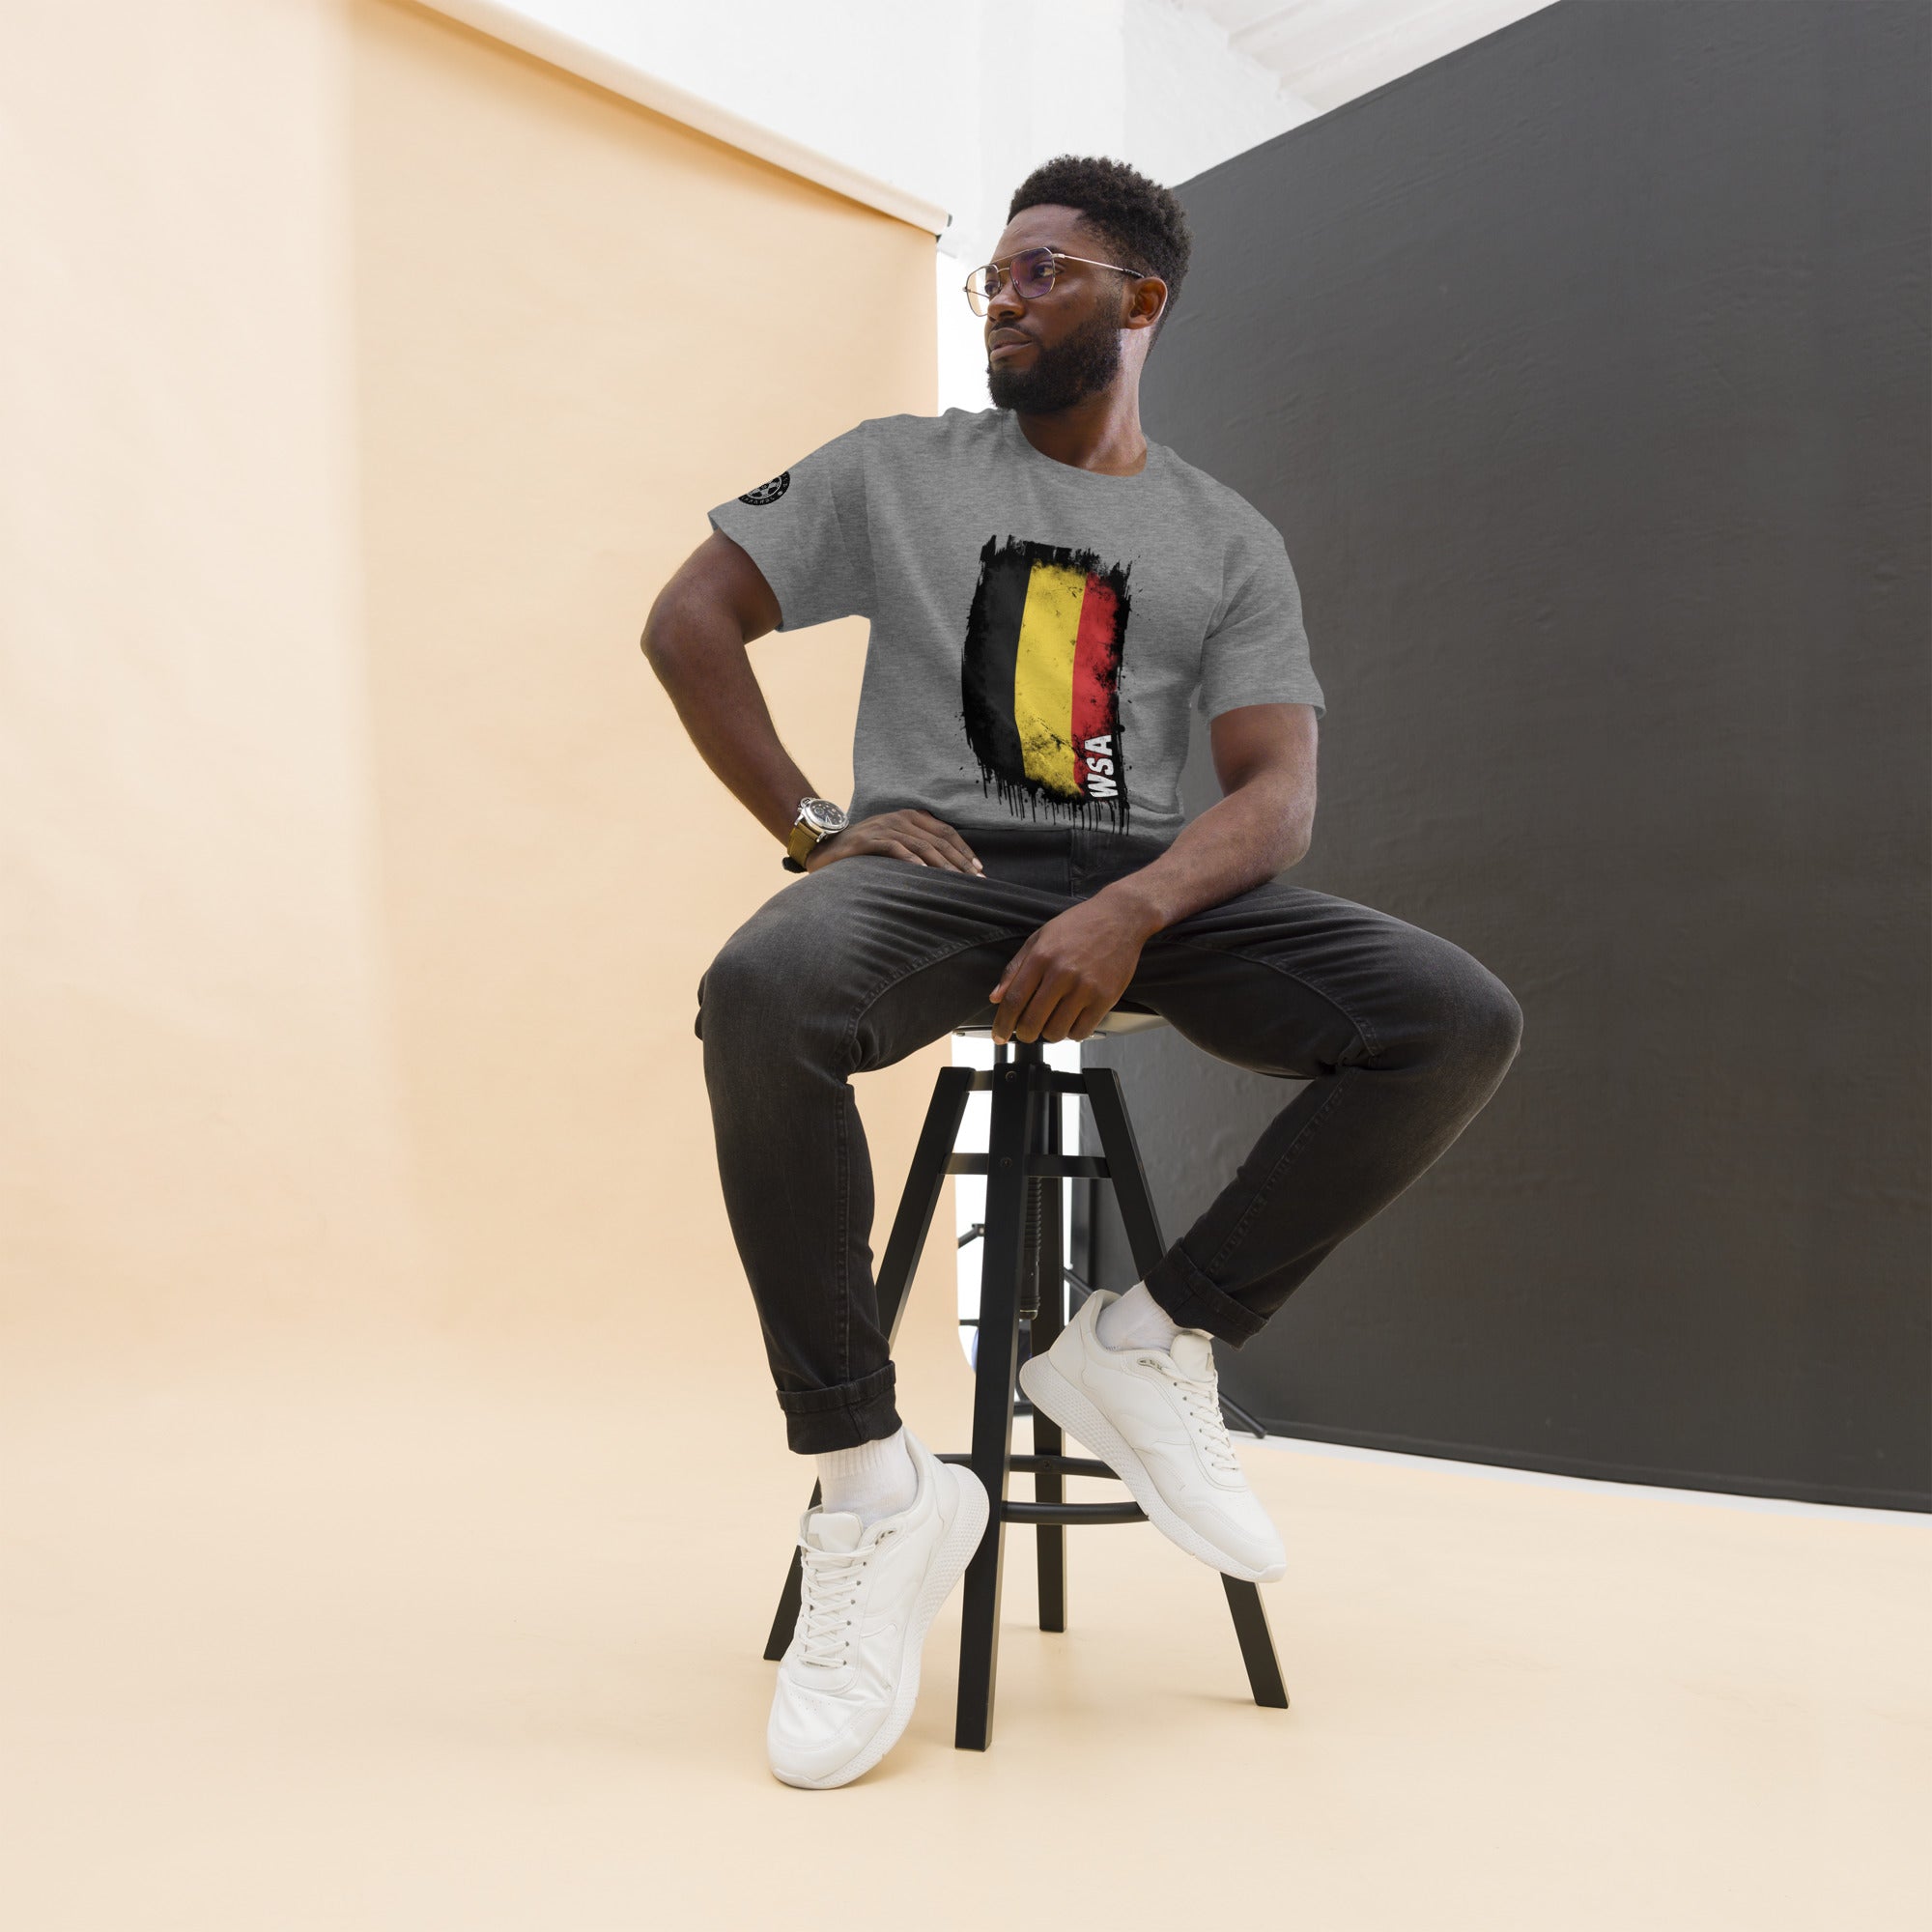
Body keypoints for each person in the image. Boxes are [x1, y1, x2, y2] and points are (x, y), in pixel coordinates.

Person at [641, 155, 1522, 1789]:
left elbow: (1277, 795)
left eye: (1042, 272)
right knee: (761, 994)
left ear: (1140, 301)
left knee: (1451, 1017)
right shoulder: (895, 468)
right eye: (992, 275)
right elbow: (688, 618)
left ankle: (1144, 1341)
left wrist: (1132, 911)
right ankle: (872, 1491)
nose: (1003, 295)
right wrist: (819, 824)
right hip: (939, 876)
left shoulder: (1223, 538)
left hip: (1147, 886)